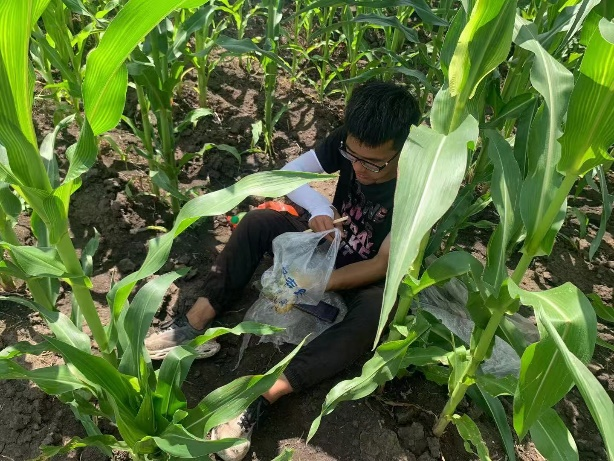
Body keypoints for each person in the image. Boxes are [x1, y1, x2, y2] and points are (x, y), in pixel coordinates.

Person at [144, 81, 421, 461]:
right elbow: (289, 173)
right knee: (257, 221)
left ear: (404, 150)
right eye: (352, 157)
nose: (358, 169)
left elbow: (381, 264)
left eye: (373, 164)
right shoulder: (352, 141)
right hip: (329, 245)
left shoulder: (418, 188)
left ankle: (260, 397)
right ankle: (194, 323)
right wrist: (319, 209)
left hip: (364, 273)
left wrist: (317, 283)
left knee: (374, 314)